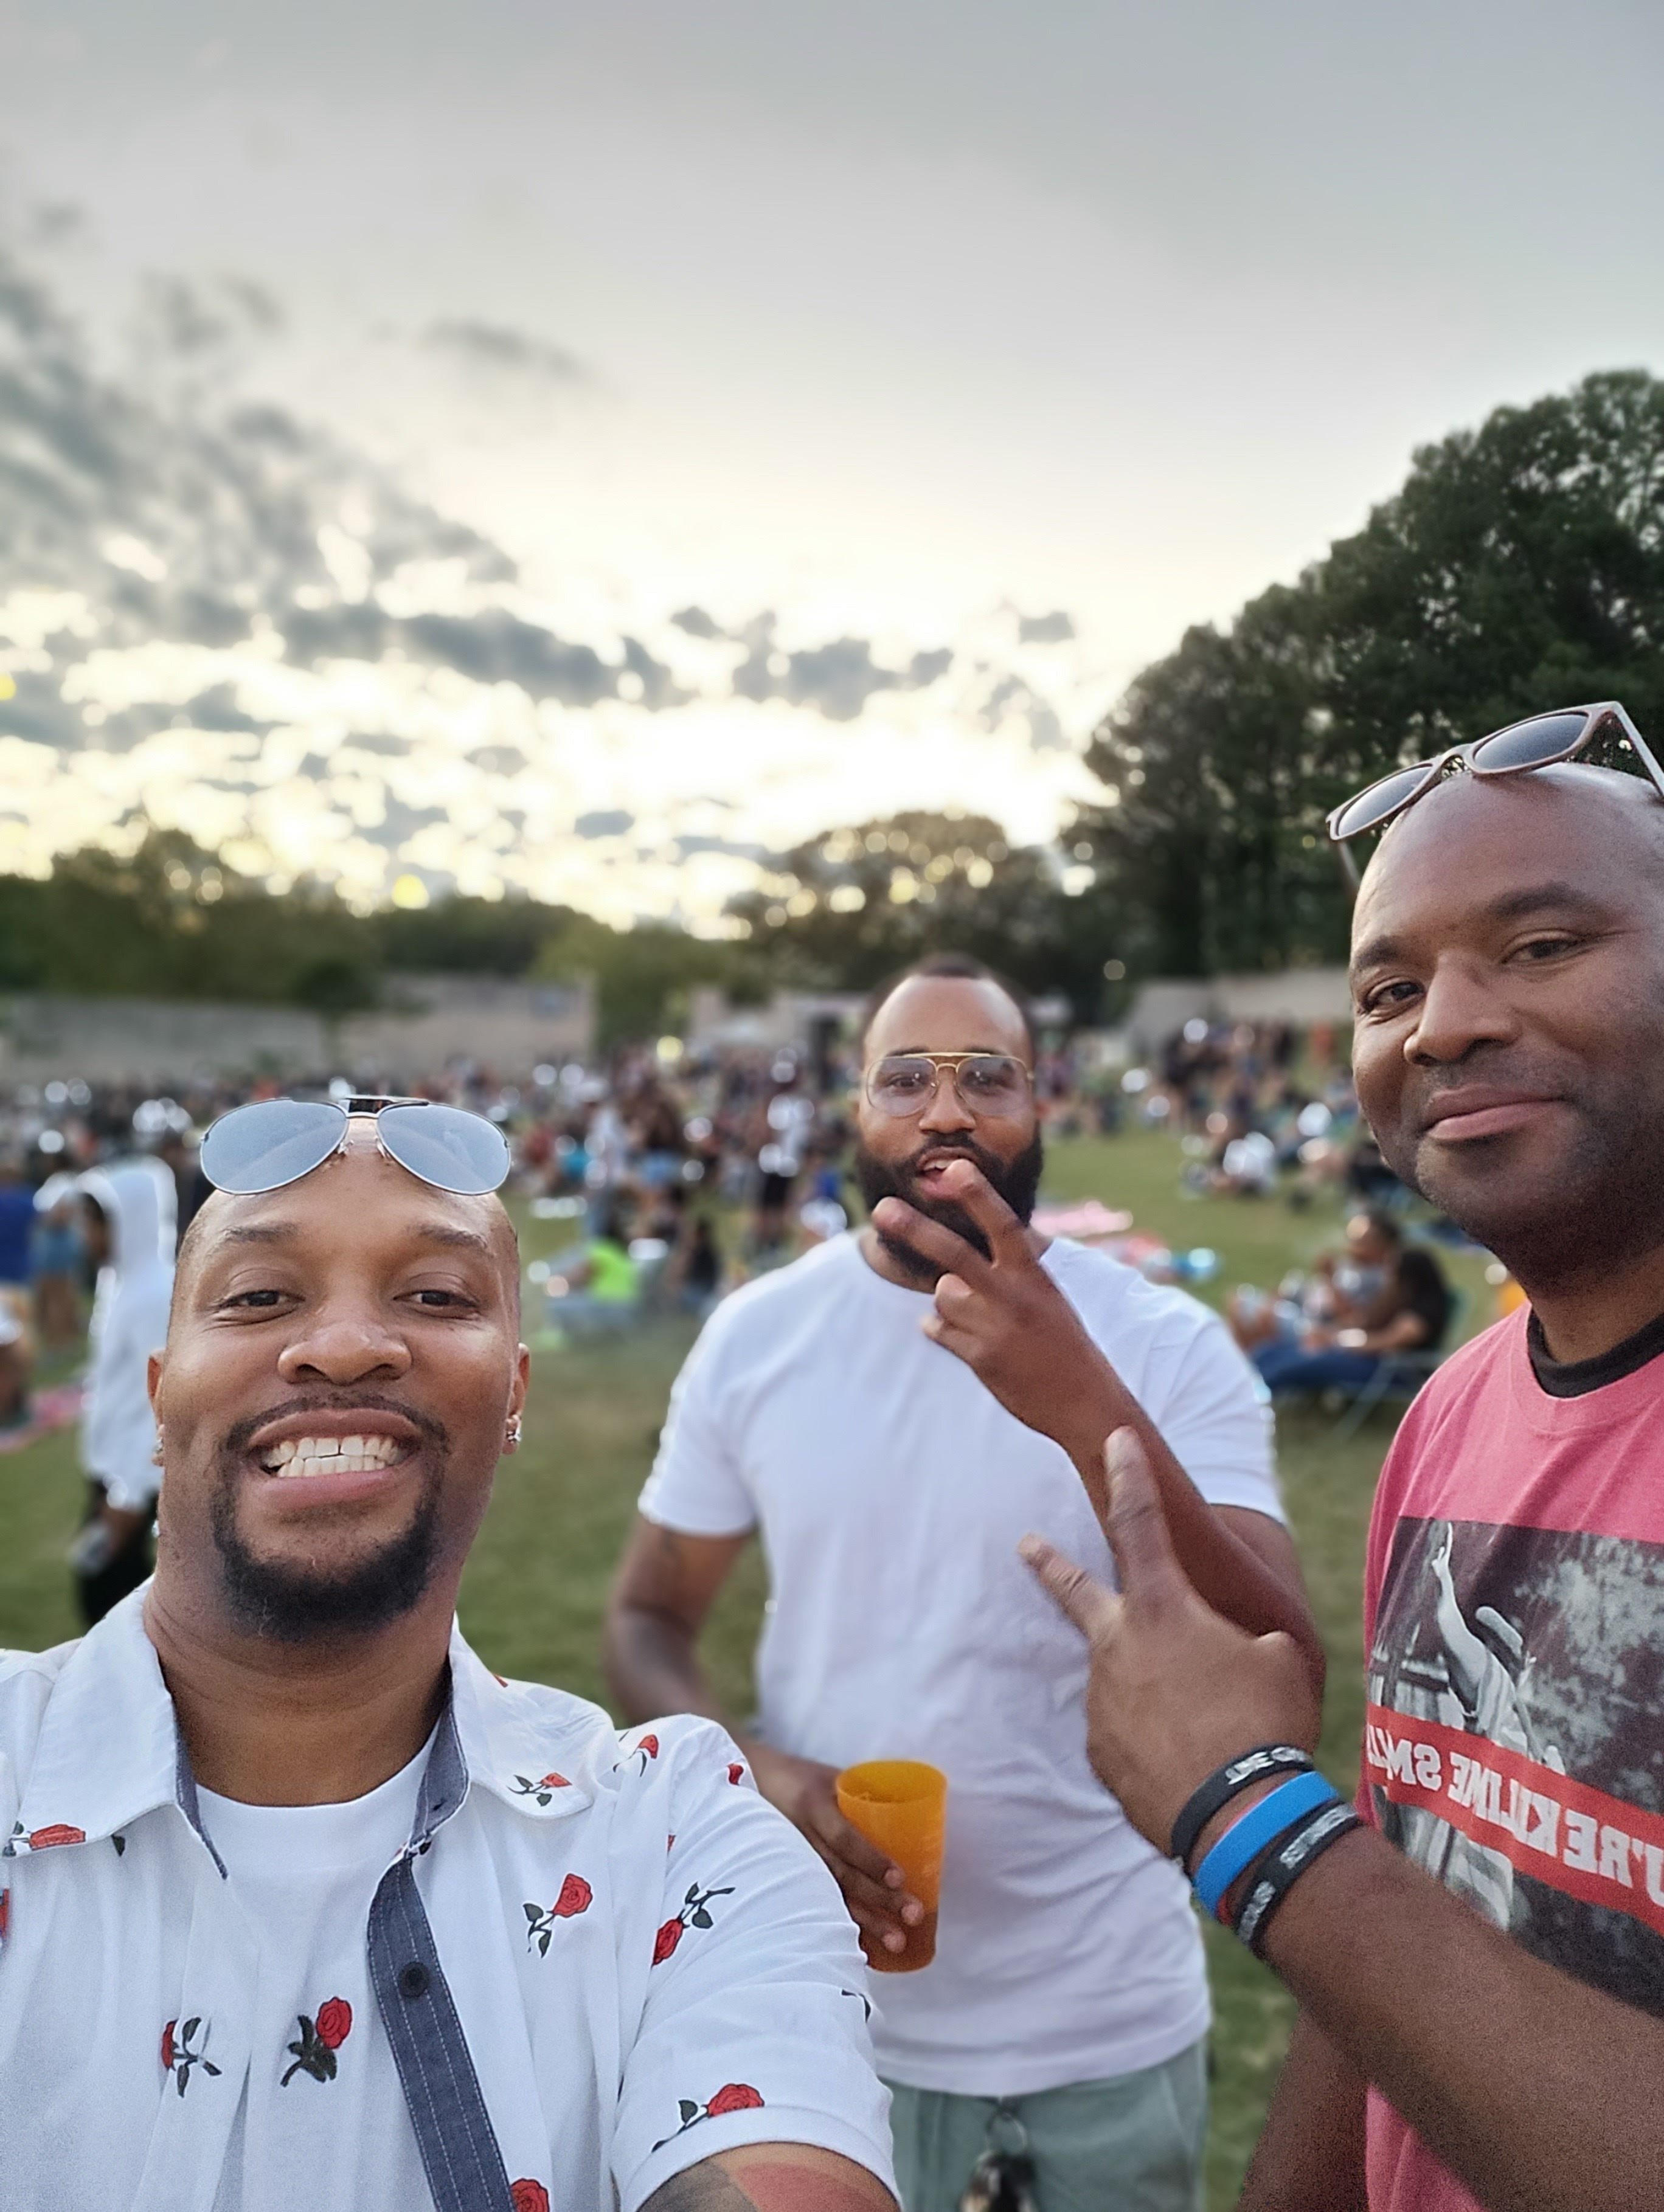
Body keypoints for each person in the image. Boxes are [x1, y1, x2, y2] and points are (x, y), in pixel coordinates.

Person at [0, 1099, 896, 2212]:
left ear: (512, 1392)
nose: (343, 1346)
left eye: (434, 1295)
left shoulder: (677, 1842)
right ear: (158, 1393)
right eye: (260, 1295)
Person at [1003, 748, 1664, 2212]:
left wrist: (1251, 1821)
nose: (1444, 1022)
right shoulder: (1447, 1420)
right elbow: (1400, 1923)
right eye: (1387, 989)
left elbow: (1338, 1889)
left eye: (1541, 945)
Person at [604, 953, 1320, 2212]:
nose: (947, 1109)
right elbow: (647, 1618)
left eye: (988, 1076)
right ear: (854, 1109)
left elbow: (1283, 1670)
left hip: (1107, 2015)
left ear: (1042, 1104)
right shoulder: (759, 1336)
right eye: (907, 1079)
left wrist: (1081, 1398)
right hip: (831, 2006)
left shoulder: (1162, 1341)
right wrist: (757, 1772)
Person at [69, 1156, 176, 1624]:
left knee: (112, 1601)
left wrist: (128, 1497)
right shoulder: (122, 1281)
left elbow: (164, 1398)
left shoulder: (155, 1293)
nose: (87, 1235)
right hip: (112, 1473)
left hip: (133, 1482)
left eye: (96, 1223)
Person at [1230, 1210, 1452, 1398]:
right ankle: (1238, 1387)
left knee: (1296, 1363)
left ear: (1410, 1282)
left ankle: (1246, 1400)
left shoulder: (1419, 1316)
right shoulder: (1397, 1303)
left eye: (1393, 1275)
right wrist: (1330, 1335)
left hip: (1388, 1371)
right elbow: (1363, 1325)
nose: (1388, 1280)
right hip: (1363, 1358)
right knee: (1273, 1351)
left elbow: (1381, 1343)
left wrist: (1335, 1341)